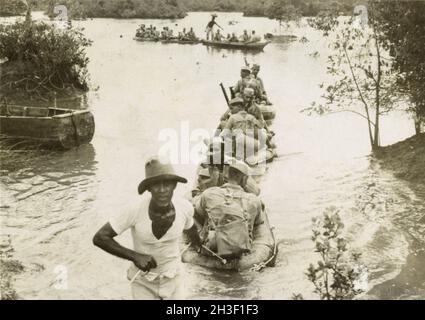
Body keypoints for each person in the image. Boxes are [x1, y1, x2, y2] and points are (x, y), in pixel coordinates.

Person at [93, 157, 202, 300]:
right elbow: (100, 237)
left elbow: (191, 228)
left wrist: (197, 244)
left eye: (167, 184)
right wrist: (134, 256)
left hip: (174, 277)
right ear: (148, 188)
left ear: (174, 185)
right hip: (143, 282)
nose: (162, 190)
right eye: (156, 185)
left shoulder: (185, 207)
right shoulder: (134, 210)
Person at [194, 160, 265, 258]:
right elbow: (258, 224)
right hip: (242, 252)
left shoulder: (208, 194)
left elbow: (196, 215)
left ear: (226, 176)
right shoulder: (253, 200)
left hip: (213, 248)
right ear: (244, 179)